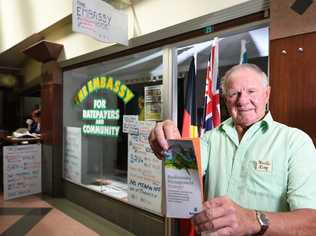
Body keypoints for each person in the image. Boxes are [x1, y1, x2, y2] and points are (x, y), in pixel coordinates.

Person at [148, 64, 316, 235]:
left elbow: (311, 223)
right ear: (225, 99)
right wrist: (165, 137)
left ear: (267, 94)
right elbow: (181, 166)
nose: (242, 100)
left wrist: (252, 220)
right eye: (234, 93)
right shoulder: (210, 139)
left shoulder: (295, 142)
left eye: (251, 91)